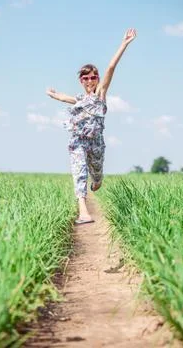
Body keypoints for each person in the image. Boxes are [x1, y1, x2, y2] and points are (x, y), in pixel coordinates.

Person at [46, 28, 137, 224]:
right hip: (77, 141)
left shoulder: (100, 94)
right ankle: (83, 212)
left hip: (96, 143)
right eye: (85, 78)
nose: (89, 81)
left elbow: (111, 68)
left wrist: (124, 44)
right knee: (79, 173)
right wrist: (53, 94)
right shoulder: (79, 99)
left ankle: (98, 180)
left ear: (97, 79)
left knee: (95, 172)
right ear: (81, 81)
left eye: (93, 77)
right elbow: (64, 98)